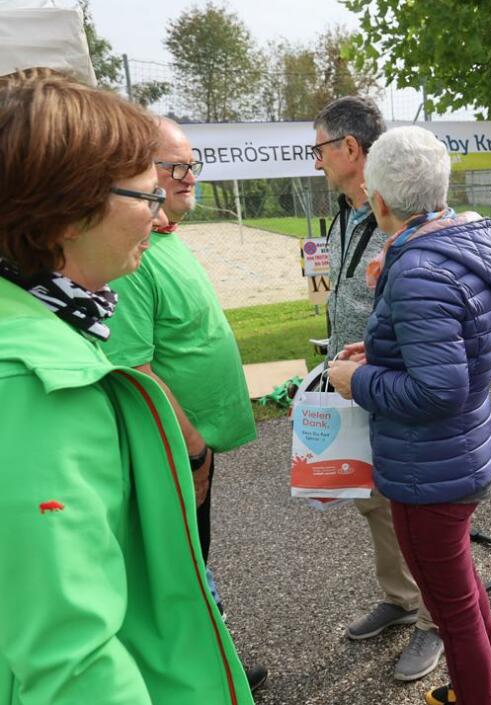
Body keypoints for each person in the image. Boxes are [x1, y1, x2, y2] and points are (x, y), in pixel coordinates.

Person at [0, 70, 256, 704]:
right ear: (69, 210)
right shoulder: (35, 384)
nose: (159, 211)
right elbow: (70, 663)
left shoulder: (53, 321)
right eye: (146, 195)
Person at [326, 125, 491, 705]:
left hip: (427, 466)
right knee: (459, 586)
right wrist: (381, 353)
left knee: (448, 604)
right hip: (459, 451)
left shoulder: (417, 270)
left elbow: (437, 388)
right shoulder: (461, 245)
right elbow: (449, 351)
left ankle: (476, 692)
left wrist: (356, 378)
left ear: (379, 200)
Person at [101, 117, 267, 690]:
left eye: (192, 164)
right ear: (140, 173)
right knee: (181, 570)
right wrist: (192, 451)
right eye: (174, 166)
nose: (188, 176)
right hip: (171, 452)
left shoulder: (164, 237)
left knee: (196, 560)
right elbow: (135, 369)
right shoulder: (133, 258)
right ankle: (204, 675)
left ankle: (211, 658)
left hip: (191, 448)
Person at [313, 95, 444, 682]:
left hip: (393, 385)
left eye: (319, 147)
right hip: (358, 383)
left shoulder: (404, 216)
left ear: (350, 149)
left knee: (410, 510)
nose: (315, 160)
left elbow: (419, 313)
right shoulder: (345, 211)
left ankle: (433, 622)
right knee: (374, 503)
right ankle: (400, 598)